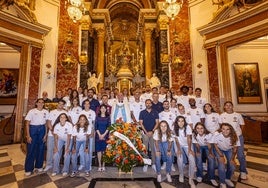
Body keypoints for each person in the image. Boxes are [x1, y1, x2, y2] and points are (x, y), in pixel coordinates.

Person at [219, 101, 247, 180]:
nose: (228, 107)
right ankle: (231, 169)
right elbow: (221, 127)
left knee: (240, 155)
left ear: (232, 106)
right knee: (230, 155)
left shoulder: (238, 115)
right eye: (226, 105)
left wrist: (238, 134)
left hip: (238, 137)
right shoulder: (222, 115)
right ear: (224, 107)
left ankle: (243, 171)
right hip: (227, 138)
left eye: (230, 105)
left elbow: (242, 125)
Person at [24, 98, 48, 176]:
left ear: (44, 104)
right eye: (39, 102)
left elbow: (46, 124)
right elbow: (27, 124)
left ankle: (39, 166)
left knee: (41, 149)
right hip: (33, 129)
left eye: (42, 102)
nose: (41, 104)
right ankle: (28, 168)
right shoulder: (32, 111)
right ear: (36, 103)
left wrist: (45, 134)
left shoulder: (46, 112)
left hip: (42, 130)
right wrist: (28, 135)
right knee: (31, 149)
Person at [44, 99, 68, 172]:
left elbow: (66, 123)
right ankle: (48, 164)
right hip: (51, 134)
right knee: (50, 150)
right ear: (57, 104)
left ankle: (56, 165)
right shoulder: (52, 112)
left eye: (62, 104)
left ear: (63, 105)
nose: (60, 105)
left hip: (60, 136)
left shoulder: (65, 112)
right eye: (59, 104)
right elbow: (48, 122)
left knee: (58, 151)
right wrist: (53, 131)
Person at [214, 123, 240, 188]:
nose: (225, 131)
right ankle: (222, 182)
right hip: (219, 149)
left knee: (232, 166)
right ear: (221, 129)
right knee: (221, 165)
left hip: (228, 149)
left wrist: (232, 159)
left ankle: (227, 178)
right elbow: (215, 145)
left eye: (227, 129)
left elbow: (235, 149)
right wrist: (221, 156)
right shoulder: (217, 134)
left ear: (230, 130)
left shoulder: (235, 135)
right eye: (223, 129)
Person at [192, 122, 218, 186]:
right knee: (198, 159)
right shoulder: (194, 134)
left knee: (211, 159)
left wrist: (210, 153)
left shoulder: (209, 134)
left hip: (207, 146)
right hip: (199, 146)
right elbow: (197, 144)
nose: (200, 130)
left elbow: (209, 145)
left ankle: (211, 177)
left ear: (204, 129)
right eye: (197, 128)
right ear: (195, 129)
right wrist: (198, 151)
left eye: (201, 128)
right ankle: (199, 175)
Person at [173, 116, 196, 188]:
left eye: (182, 121)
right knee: (180, 158)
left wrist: (189, 149)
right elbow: (176, 140)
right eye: (179, 121)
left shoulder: (188, 127)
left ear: (184, 121)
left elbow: (189, 138)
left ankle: (191, 178)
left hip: (187, 144)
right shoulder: (174, 127)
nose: (181, 123)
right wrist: (179, 149)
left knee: (192, 159)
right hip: (178, 144)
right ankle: (181, 174)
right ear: (176, 122)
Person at [139, 99, 159, 172]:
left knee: (153, 148)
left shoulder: (155, 112)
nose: (148, 104)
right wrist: (146, 132)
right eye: (147, 103)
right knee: (145, 149)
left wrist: (152, 131)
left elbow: (157, 122)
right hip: (145, 133)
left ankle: (153, 163)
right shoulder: (142, 112)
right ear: (145, 104)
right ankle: (146, 163)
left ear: (151, 104)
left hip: (153, 133)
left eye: (149, 103)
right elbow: (141, 123)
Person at [95, 104, 111, 171]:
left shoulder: (108, 117)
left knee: (104, 151)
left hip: (105, 135)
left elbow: (109, 127)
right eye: (102, 108)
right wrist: (99, 135)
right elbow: (96, 127)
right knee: (99, 151)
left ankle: (103, 165)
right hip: (98, 136)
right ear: (100, 109)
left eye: (104, 108)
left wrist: (104, 135)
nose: (103, 109)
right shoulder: (97, 117)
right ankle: (99, 165)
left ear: (106, 109)